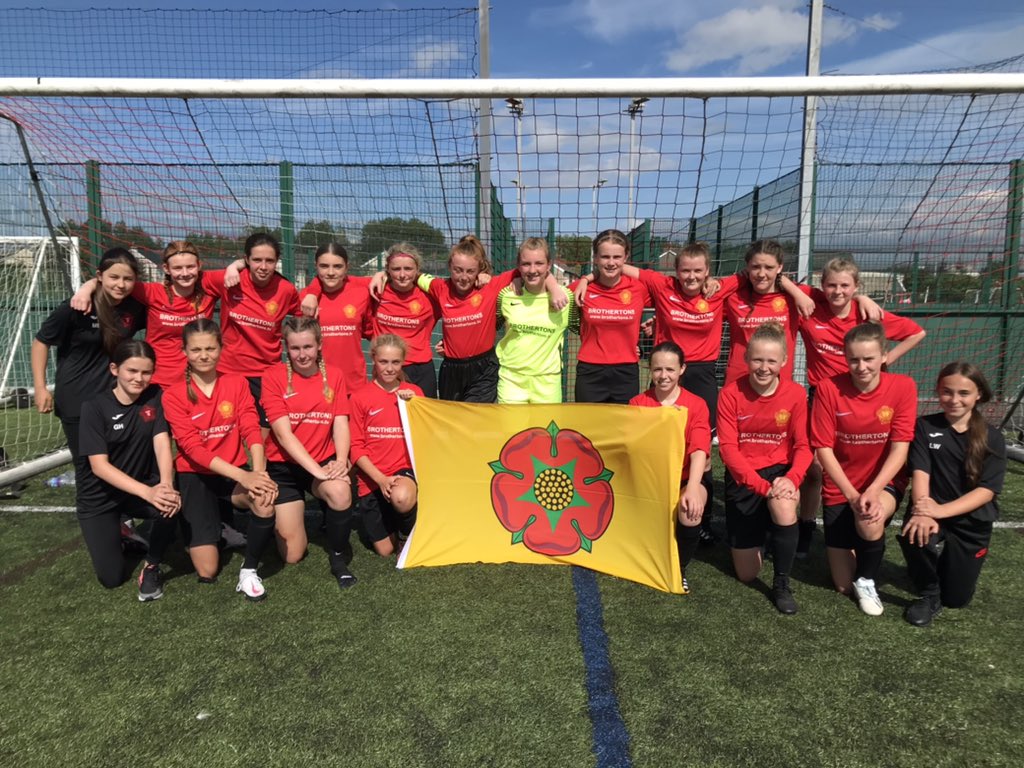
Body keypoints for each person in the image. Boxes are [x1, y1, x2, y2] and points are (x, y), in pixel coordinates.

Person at [795, 257, 925, 558]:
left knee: (860, 456)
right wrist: (796, 288)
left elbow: (917, 332)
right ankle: (806, 526)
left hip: (862, 395)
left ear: (856, 287)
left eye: (845, 286)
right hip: (824, 395)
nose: (837, 291)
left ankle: (864, 510)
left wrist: (887, 360)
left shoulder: (867, 314)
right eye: (830, 284)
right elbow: (783, 284)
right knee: (814, 467)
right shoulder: (811, 308)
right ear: (821, 286)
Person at [163, 319, 279, 599]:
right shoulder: (172, 394)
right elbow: (193, 450)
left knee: (263, 501)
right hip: (195, 476)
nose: (204, 355)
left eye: (210, 348)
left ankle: (248, 571)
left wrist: (260, 473)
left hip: (232, 474)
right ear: (184, 352)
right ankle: (206, 523)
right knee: (207, 570)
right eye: (196, 350)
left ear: (221, 349)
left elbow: (251, 427)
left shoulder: (236, 383)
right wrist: (244, 476)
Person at [811, 323, 918, 616]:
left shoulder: (903, 387)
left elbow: (900, 449)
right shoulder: (827, 388)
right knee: (843, 586)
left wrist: (870, 491)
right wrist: (851, 494)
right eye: (854, 359)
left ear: (884, 355)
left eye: (869, 359)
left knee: (870, 519)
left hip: (882, 483)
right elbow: (824, 449)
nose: (861, 366)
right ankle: (861, 555)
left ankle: (868, 579)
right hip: (841, 486)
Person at [898, 362, 1006, 627]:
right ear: (937, 391)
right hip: (932, 511)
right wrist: (923, 510)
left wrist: (940, 511)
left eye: (963, 393)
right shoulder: (924, 426)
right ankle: (929, 593)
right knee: (915, 533)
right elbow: (921, 472)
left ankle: (946, 568)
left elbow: (986, 491)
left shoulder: (992, 437)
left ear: (978, 394)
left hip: (971, 520)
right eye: (947, 392)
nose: (954, 399)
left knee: (956, 598)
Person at [717, 322, 811, 614]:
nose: (764, 367)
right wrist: (761, 487)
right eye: (757, 359)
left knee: (784, 506)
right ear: (746, 359)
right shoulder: (730, 394)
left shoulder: (795, 394)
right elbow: (729, 451)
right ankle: (768, 533)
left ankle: (781, 582)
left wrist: (792, 479)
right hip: (744, 477)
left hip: (779, 471)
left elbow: (803, 447)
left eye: (771, 360)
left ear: (783, 361)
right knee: (746, 574)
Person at [76, 340, 179, 599]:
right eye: (131, 371)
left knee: (169, 503)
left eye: (146, 372)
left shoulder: (155, 396)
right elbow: (99, 467)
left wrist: (165, 486)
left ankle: (152, 565)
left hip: (135, 490)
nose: (139, 378)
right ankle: (120, 532)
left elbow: (162, 443)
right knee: (112, 578)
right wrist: (148, 492)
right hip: (99, 499)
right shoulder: (94, 407)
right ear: (114, 369)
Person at [262, 316, 355, 588]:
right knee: (292, 555)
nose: (302, 355)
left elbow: (340, 423)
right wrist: (316, 471)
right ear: (285, 348)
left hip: (322, 462)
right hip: (284, 468)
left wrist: (339, 461)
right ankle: (278, 522)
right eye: (295, 348)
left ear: (319, 346)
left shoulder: (334, 375)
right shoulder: (272, 377)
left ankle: (338, 556)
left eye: (307, 347)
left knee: (340, 491)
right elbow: (282, 434)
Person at [32, 248, 146, 469]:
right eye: (114, 277)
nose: (120, 284)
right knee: (88, 469)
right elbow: (40, 342)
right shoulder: (76, 306)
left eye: (128, 279)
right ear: (99, 276)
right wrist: (40, 387)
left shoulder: (135, 306)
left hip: (115, 397)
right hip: (77, 399)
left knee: (121, 464)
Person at [416, 235, 565, 403]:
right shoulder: (439, 287)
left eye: (470, 271)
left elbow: (531, 269)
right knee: (454, 422)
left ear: (479, 270)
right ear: (449, 267)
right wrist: (382, 275)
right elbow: (414, 275)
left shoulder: (490, 286)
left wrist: (553, 286)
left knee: (475, 419)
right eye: (458, 270)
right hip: (451, 369)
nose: (464, 277)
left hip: (483, 368)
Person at [629, 342, 711, 593]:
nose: (663, 376)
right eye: (657, 370)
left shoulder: (696, 405)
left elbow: (699, 452)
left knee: (689, 508)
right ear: (649, 370)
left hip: (685, 478)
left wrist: (694, 488)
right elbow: (633, 449)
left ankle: (679, 568)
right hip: (651, 479)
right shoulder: (637, 403)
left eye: (670, 370)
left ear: (682, 370)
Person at [346, 335, 422, 581]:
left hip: (403, 473)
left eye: (396, 362)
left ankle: (405, 534)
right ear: (373, 360)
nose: (390, 368)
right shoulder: (359, 397)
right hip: (373, 478)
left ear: (403, 363)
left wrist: (416, 405)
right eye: (384, 362)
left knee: (400, 497)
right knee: (383, 550)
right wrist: (379, 479)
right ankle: (398, 522)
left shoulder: (414, 394)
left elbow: (429, 433)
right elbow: (355, 447)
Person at [205, 232, 301, 427]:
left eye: (269, 261)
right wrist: (232, 267)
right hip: (228, 370)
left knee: (268, 433)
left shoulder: (286, 289)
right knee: (225, 431)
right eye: (257, 260)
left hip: (266, 372)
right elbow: (187, 277)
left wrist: (313, 293)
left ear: (277, 262)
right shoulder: (229, 279)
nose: (263, 267)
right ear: (247, 259)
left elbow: (303, 314)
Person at [565, 229, 651, 403]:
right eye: (605, 257)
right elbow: (545, 291)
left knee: (623, 428)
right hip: (590, 372)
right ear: (595, 258)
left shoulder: (639, 289)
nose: (611, 263)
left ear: (625, 257)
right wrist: (585, 279)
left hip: (626, 372)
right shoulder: (580, 289)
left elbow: (671, 295)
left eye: (617, 257)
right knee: (588, 428)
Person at [496, 238, 577, 404]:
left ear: (549, 265)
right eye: (526, 264)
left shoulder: (566, 297)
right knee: (512, 430)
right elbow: (487, 324)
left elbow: (585, 327)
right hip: (512, 379)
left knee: (546, 431)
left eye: (539, 263)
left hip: (548, 382)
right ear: (518, 266)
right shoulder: (506, 296)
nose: (532, 270)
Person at [365, 244, 440, 398]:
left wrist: (483, 274)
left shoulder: (430, 295)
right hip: (388, 368)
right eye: (396, 269)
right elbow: (340, 279)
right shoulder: (376, 291)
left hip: (421, 369)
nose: (402, 274)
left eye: (408, 269)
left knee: (424, 420)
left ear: (417, 269)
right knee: (388, 420)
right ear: (387, 270)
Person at [298, 242, 373, 395]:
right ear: (316, 266)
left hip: (353, 384)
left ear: (347, 267)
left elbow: (372, 333)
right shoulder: (305, 298)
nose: (331, 272)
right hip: (316, 384)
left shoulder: (362, 293)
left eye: (338, 266)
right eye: (324, 266)